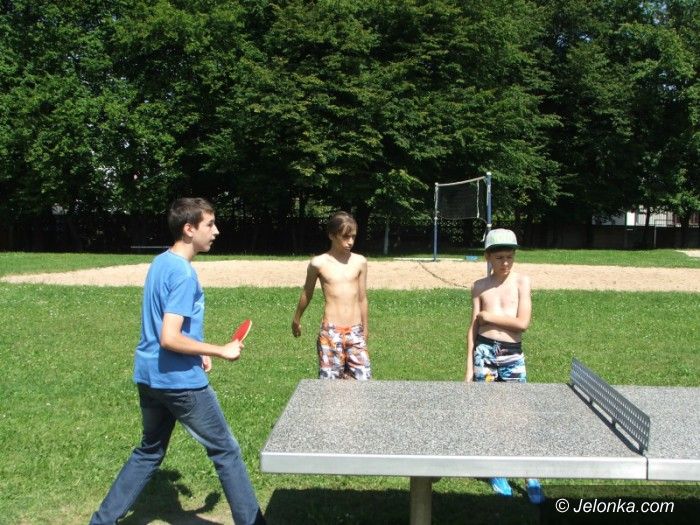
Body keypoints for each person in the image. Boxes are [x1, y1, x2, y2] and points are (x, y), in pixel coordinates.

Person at [90, 198, 265, 525]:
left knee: (150, 451)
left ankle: (100, 522)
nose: (216, 231)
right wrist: (220, 349)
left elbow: (165, 325)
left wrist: (198, 350)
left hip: (149, 377)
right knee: (225, 450)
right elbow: (169, 337)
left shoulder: (160, 262)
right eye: (209, 224)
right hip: (179, 382)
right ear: (189, 229)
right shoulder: (184, 274)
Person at [464, 228, 544, 505]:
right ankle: (497, 471)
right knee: (490, 414)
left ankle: (530, 474)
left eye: (510, 257)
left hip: (511, 355)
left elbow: (522, 323)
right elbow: (473, 329)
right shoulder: (479, 286)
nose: (505, 263)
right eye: (499, 258)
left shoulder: (522, 282)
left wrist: (489, 316)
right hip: (484, 354)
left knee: (518, 415)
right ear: (487, 257)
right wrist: (468, 368)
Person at [291, 211, 371, 380]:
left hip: (355, 331)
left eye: (353, 237)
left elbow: (362, 298)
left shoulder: (360, 262)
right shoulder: (318, 263)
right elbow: (307, 292)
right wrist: (296, 319)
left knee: (363, 382)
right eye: (345, 237)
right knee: (329, 387)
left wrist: (365, 329)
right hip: (330, 332)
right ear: (332, 235)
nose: (350, 242)